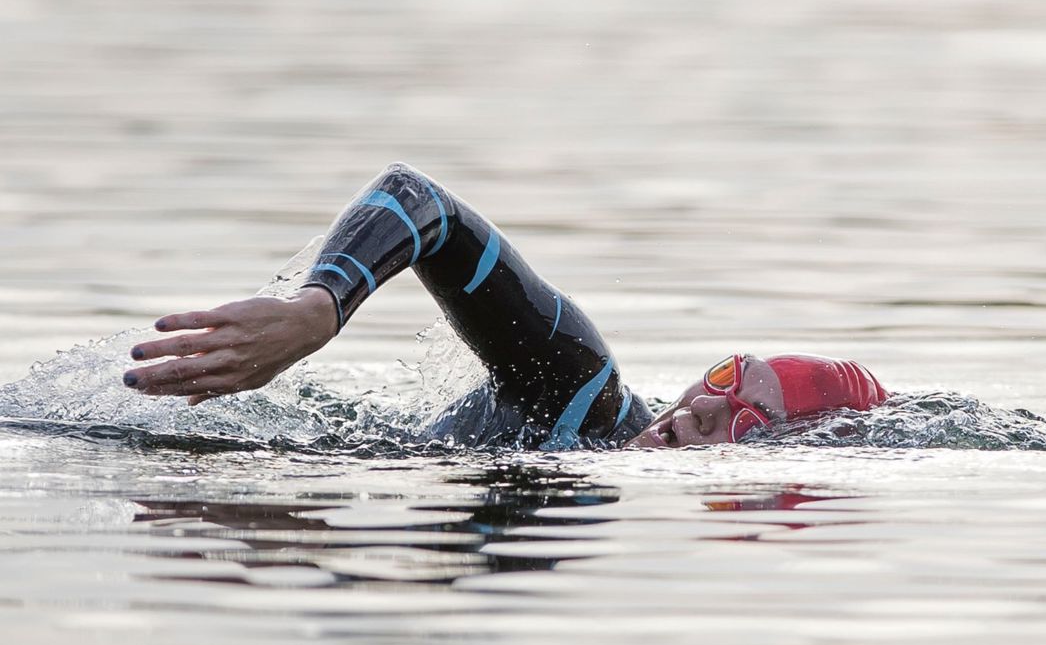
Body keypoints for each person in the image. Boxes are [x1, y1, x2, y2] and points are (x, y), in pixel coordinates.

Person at [124, 163, 888, 449]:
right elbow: (418, 199)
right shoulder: (584, 389)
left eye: (747, 420)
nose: (705, 410)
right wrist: (318, 309)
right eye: (726, 376)